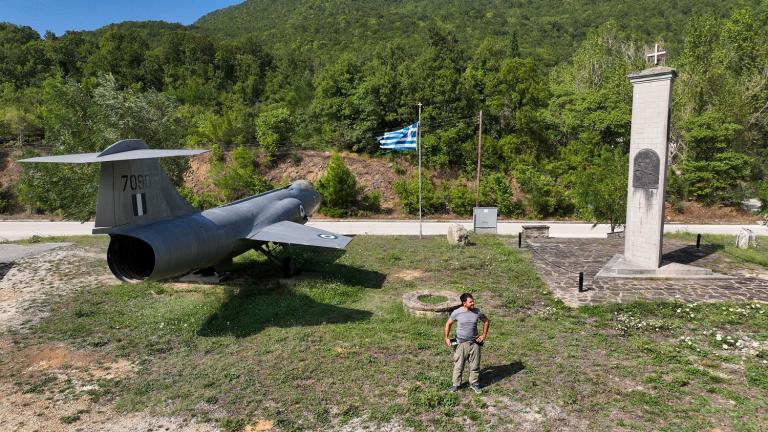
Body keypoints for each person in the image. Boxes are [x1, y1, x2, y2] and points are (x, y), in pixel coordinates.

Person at [444, 292, 490, 393]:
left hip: (475, 343)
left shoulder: (477, 312)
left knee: (475, 365)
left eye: (473, 301)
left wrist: (483, 335)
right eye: (470, 302)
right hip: (461, 343)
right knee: (459, 365)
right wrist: (446, 337)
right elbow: (448, 323)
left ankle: (474, 383)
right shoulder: (457, 312)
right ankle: (456, 384)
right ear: (464, 303)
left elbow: (486, 321)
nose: (473, 303)